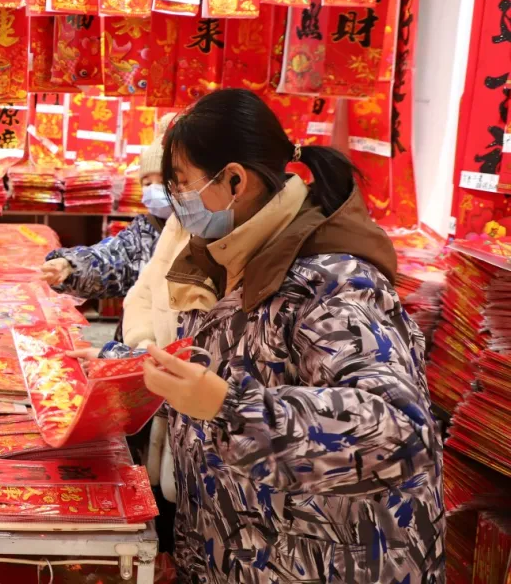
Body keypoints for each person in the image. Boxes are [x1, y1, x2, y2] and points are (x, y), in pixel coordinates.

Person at [127, 89, 444, 583]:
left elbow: (398, 430)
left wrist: (231, 409)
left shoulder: (333, 281)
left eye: (182, 184)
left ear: (235, 180)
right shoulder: (224, 259)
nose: (175, 200)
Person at [40, 140, 173, 342]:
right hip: (136, 344)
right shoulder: (144, 231)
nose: (154, 190)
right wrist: (72, 266)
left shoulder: (203, 230)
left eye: (163, 181)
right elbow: (110, 257)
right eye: (147, 184)